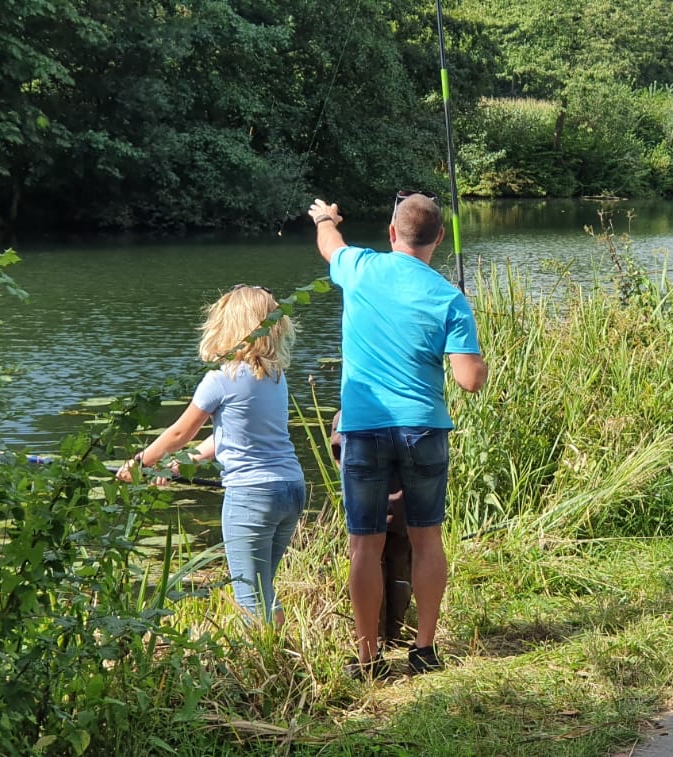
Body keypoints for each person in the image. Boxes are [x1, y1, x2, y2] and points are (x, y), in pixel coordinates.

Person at [307, 193, 487, 678]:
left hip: (363, 428)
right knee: (428, 539)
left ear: (391, 233)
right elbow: (469, 380)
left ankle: (368, 658)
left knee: (363, 545)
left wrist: (326, 217)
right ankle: (424, 650)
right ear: (440, 240)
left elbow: (330, 244)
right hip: (424, 428)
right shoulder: (449, 296)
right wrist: (479, 360)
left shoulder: (360, 268)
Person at [117, 285, 306, 626]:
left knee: (248, 596)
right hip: (290, 488)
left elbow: (180, 432)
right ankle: (280, 659)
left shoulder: (221, 379)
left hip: (251, 496)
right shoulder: (275, 377)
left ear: (227, 326)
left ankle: (260, 673)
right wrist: (178, 466)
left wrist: (141, 461)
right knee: (264, 589)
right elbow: (228, 439)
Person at [329, 410, 414, 648]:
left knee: (369, 563)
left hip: (366, 510)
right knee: (400, 569)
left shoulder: (348, 412)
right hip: (401, 509)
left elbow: (339, 453)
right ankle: (395, 631)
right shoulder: (406, 407)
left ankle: (374, 636)